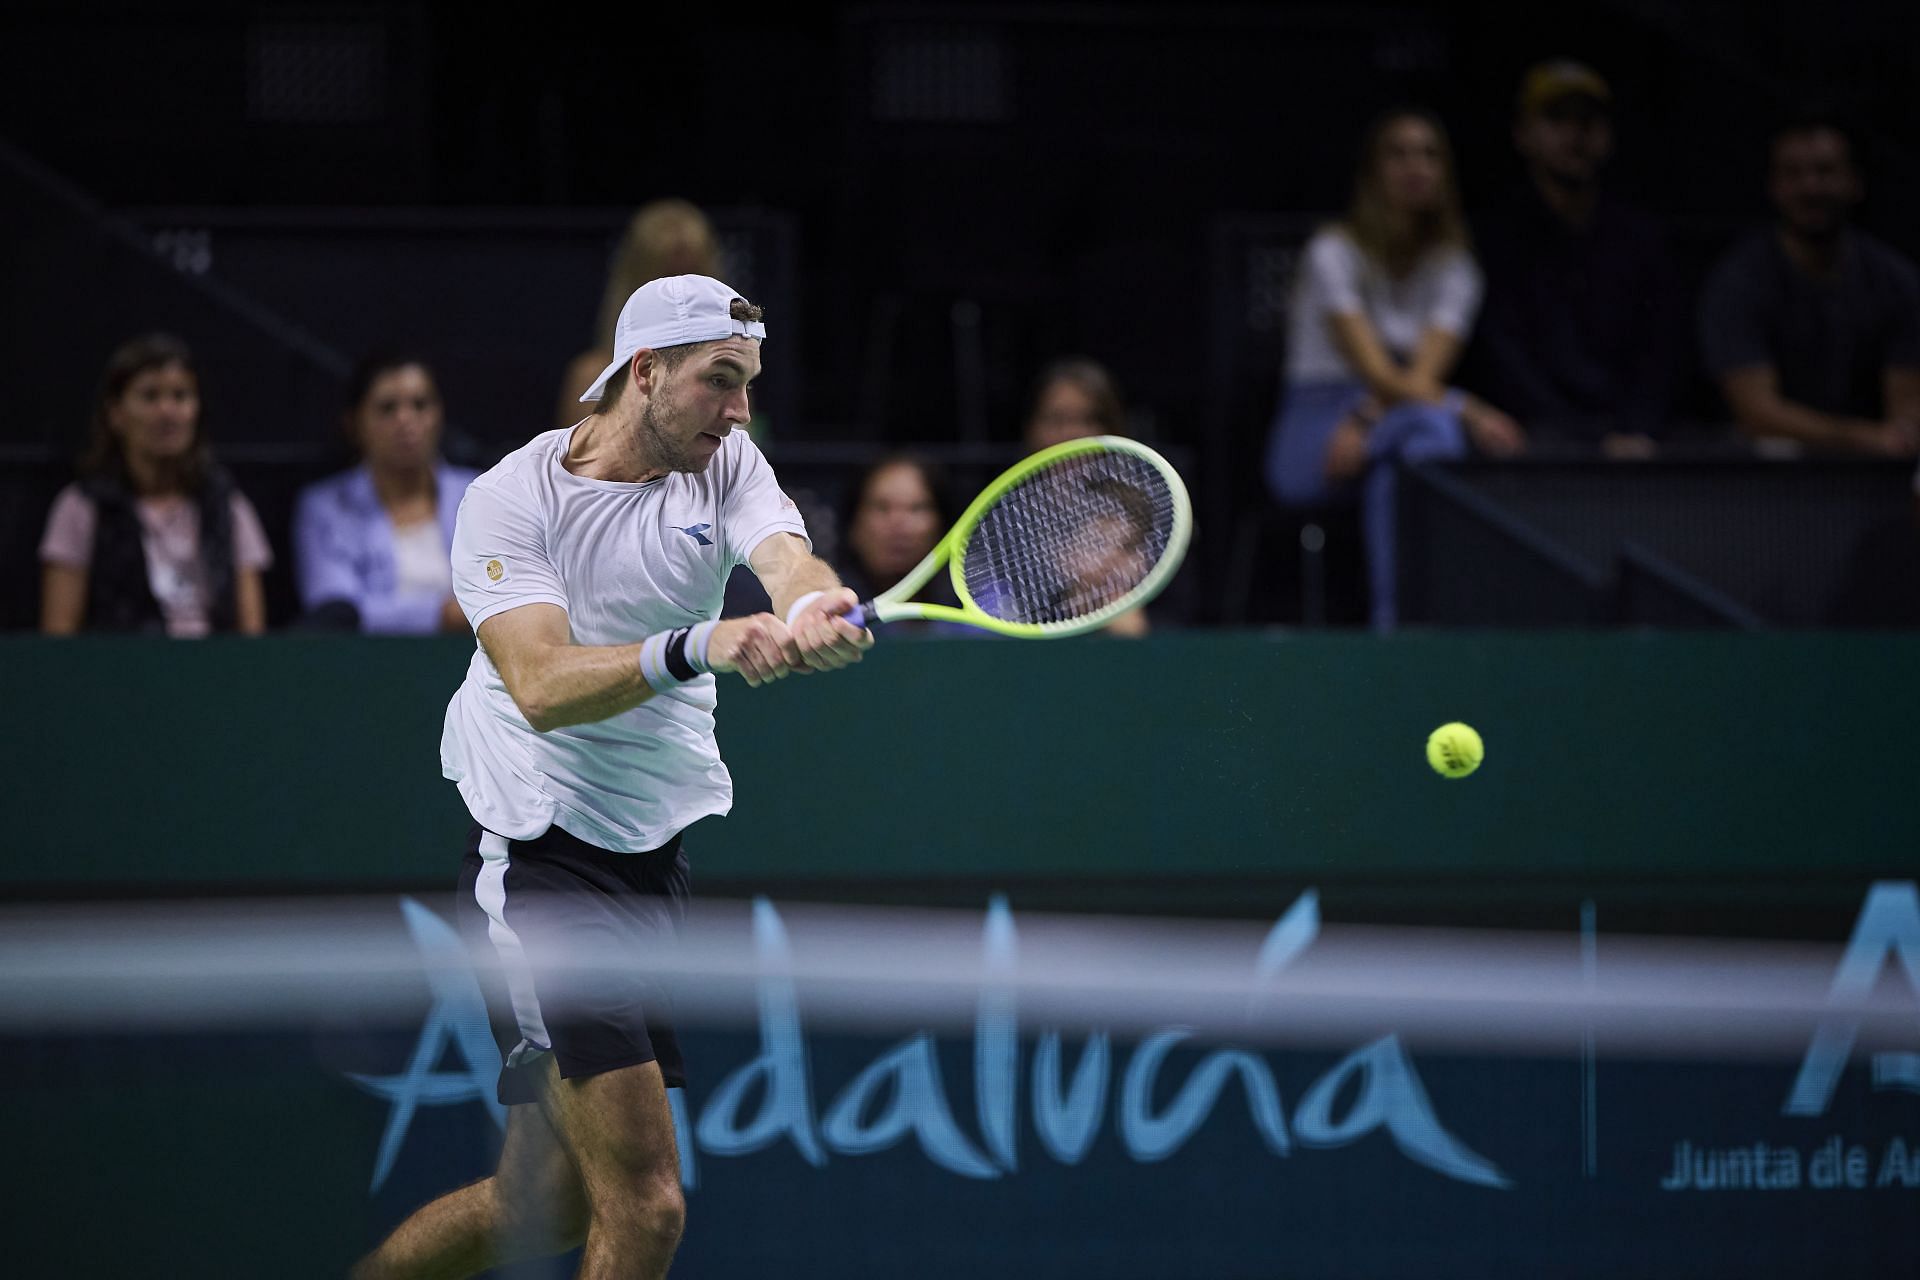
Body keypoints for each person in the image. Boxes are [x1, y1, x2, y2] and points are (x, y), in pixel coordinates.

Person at [354, 276, 871, 1280]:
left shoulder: (727, 467)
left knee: (537, 1203)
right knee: (648, 1208)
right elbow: (542, 683)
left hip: (649, 855)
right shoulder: (513, 499)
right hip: (539, 855)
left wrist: (817, 601)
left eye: (750, 382)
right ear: (647, 372)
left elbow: (788, 556)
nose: (740, 408)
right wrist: (701, 643)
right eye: (721, 381)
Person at [1264, 107, 1525, 629]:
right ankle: (1419, 628)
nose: (1416, 166)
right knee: (1434, 426)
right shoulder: (1331, 252)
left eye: (1429, 155)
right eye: (1399, 153)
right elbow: (1383, 373)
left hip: (1391, 421)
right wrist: (1468, 407)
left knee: (1417, 442)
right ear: (1372, 172)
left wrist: (1373, 419)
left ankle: (1400, 628)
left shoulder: (1457, 267)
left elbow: (1420, 377)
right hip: (1317, 431)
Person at [1470, 60, 1681, 456]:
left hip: (1629, 442)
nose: (1575, 134)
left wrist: (1637, 428)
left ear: (1608, 135)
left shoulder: (1641, 238)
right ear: (1522, 135)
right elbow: (1502, 356)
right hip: (1534, 440)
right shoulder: (1494, 239)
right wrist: (1571, 437)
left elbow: (1659, 353)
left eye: (1588, 121)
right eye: (1557, 119)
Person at [1699, 117, 1920, 456]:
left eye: (1826, 171)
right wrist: (1862, 437)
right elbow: (1757, 412)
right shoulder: (1739, 281)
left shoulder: (1896, 281)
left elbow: (1905, 409)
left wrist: (1891, 436)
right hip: (1767, 478)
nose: (1811, 187)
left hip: (1873, 475)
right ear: (1774, 187)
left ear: (1855, 183)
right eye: (1794, 174)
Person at [39, 332, 272, 636]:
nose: (168, 411)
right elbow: (58, 639)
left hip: (215, 675)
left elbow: (252, 637)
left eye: (180, 396)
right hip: (121, 674)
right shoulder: (81, 506)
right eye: (150, 396)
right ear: (116, 414)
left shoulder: (228, 505)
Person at [293, 355, 479, 633]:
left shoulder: (483, 491)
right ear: (353, 424)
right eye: (387, 408)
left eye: (420, 405)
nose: (406, 420)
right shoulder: (323, 507)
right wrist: (441, 616)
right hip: (367, 666)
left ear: (439, 414)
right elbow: (336, 612)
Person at [554, 200, 722, 428]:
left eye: (693, 280)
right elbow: (582, 461)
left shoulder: (727, 372)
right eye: (667, 280)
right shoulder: (594, 376)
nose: (682, 297)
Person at [1020, 358, 1151, 635]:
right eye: (1056, 420)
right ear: (1031, 428)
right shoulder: (1002, 525)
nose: (1072, 435)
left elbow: (1184, 621)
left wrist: (1135, 628)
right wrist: (1076, 597)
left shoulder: (1150, 511)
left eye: (1089, 420)